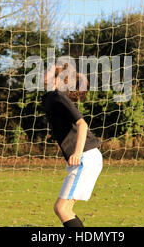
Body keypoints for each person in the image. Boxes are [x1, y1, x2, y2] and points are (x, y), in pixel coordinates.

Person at [42, 64, 102, 227]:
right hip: (85, 157)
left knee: (62, 208)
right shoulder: (51, 97)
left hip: (85, 156)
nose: (43, 73)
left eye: (47, 71)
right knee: (63, 209)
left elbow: (82, 124)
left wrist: (76, 153)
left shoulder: (58, 97)